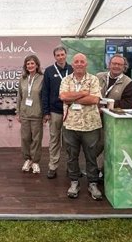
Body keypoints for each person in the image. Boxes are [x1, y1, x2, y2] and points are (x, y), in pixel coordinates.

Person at [59, 53, 104, 201]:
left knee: (91, 157)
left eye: (82, 62)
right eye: (76, 62)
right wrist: (83, 93)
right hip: (70, 125)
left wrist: (75, 96)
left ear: (86, 64)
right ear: (73, 65)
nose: (79, 64)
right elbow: (63, 97)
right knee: (72, 156)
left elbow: (94, 99)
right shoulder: (66, 79)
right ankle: (74, 182)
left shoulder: (94, 79)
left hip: (90, 126)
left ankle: (92, 184)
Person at [41, 46, 73, 179]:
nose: (60, 57)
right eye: (58, 55)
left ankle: (70, 167)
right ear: (54, 57)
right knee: (54, 140)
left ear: (66, 55)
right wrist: (46, 112)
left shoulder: (72, 70)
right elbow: (45, 92)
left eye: (62, 54)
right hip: (55, 111)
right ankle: (52, 166)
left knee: (69, 141)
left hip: (70, 111)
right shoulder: (49, 71)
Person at [17, 54, 46, 174]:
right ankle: (27, 160)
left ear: (37, 65)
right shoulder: (23, 78)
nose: (30, 65)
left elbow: (44, 97)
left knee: (36, 139)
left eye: (32, 63)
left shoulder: (42, 78)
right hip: (24, 114)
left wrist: (45, 113)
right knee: (25, 138)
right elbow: (19, 96)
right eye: (28, 64)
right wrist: (18, 112)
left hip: (37, 114)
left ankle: (35, 162)